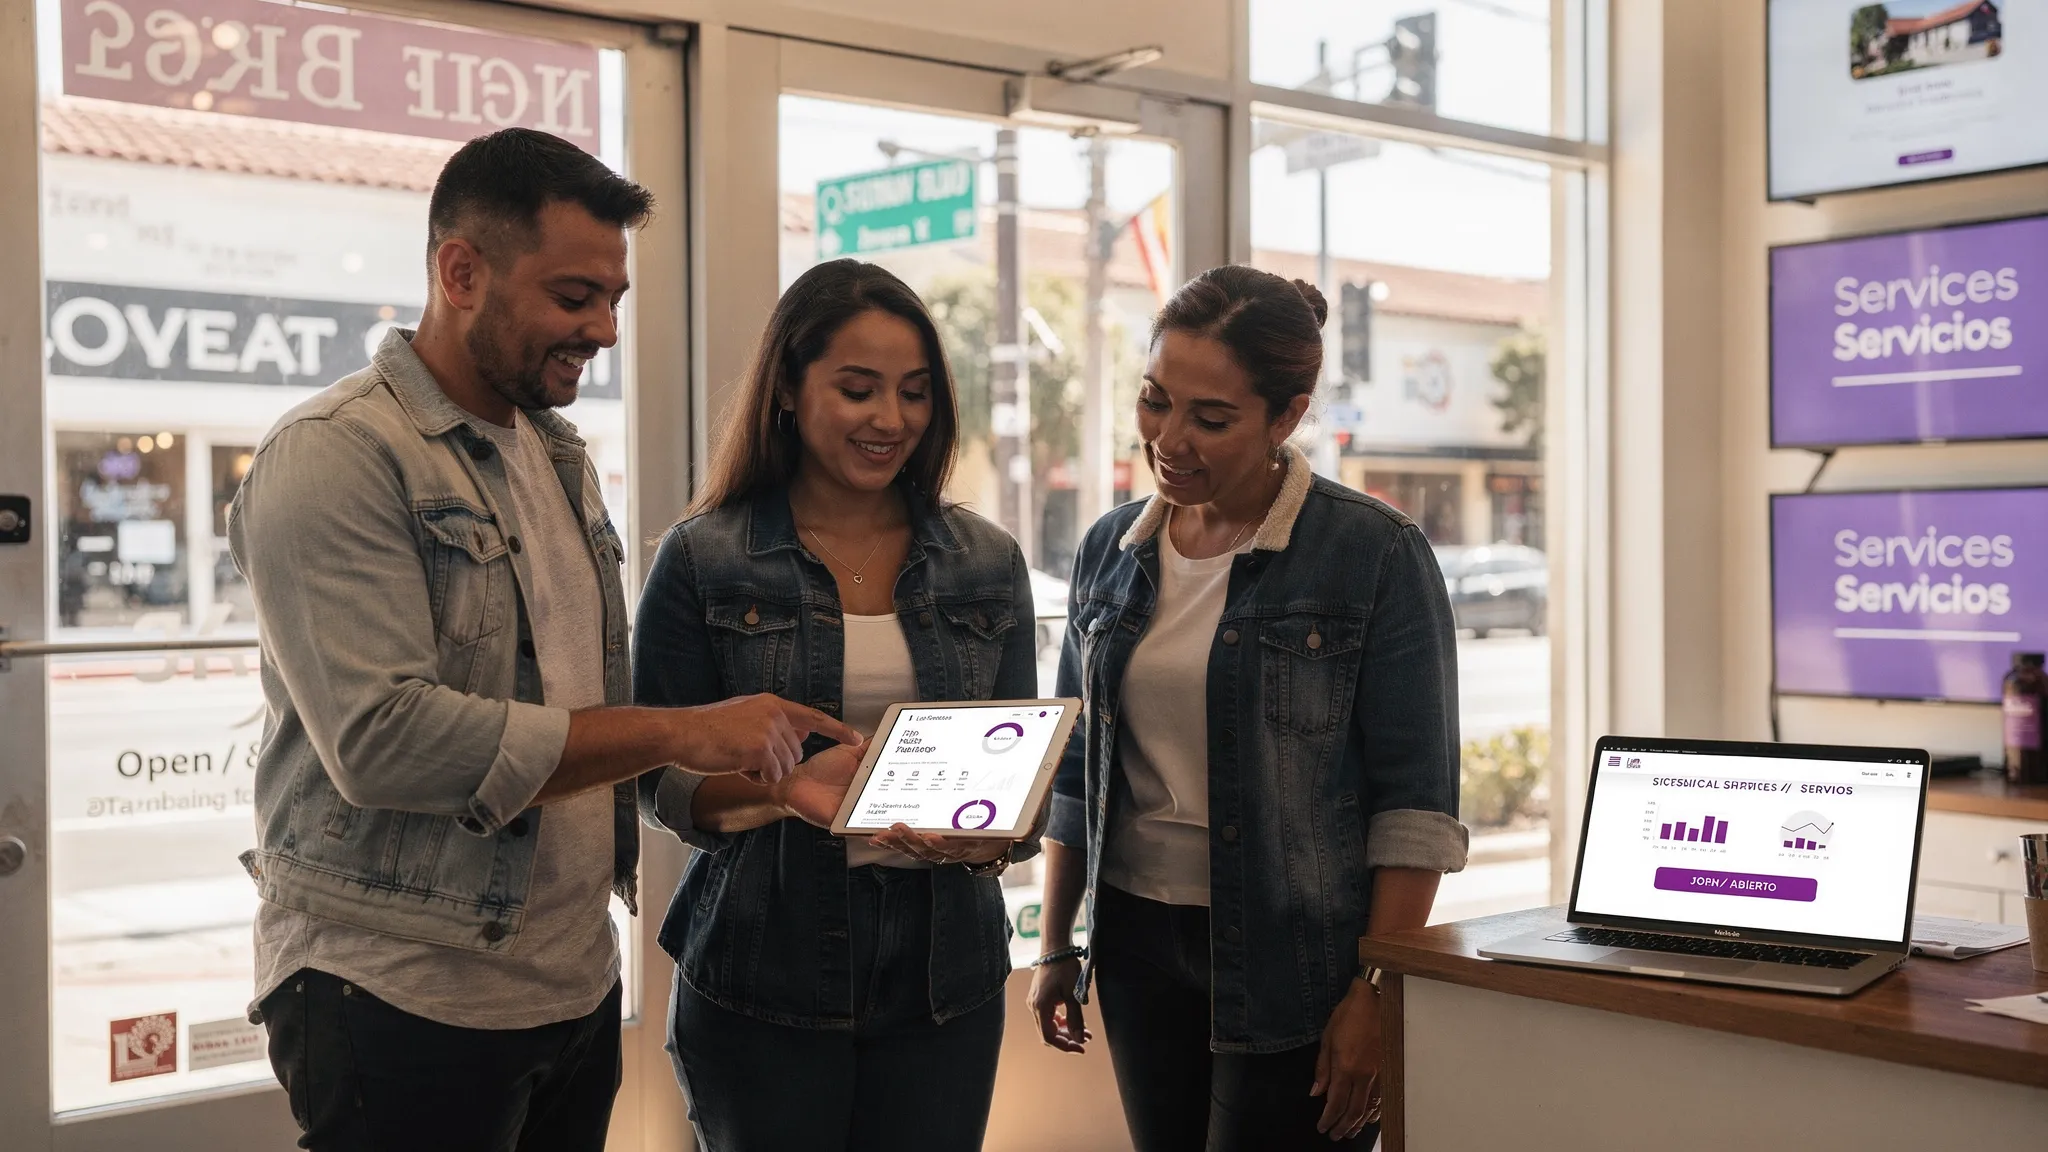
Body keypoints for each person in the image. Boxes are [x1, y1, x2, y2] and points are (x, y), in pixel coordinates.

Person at [228, 128, 858, 1152]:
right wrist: (675, 729)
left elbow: (593, 737)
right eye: (574, 297)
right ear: (460, 271)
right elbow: (383, 740)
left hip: (568, 987)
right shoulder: (335, 457)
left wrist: (761, 782)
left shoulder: (559, 459)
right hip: (396, 998)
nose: (604, 329)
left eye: (613, 298)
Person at [1026, 265, 1467, 1149]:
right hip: (1137, 938)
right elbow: (1077, 769)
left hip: (1295, 951)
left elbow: (1415, 806)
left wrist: (1375, 994)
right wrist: (1057, 941)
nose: (1171, 439)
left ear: (1287, 415)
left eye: (1212, 418)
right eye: (1157, 400)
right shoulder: (1111, 548)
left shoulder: (1372, 554)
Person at [633, 259, 1038, 1152]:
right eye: (858, 390)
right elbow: (657, 781)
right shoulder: (705, 559)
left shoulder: (987, 560)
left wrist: (1000, 832)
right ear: (787, 386)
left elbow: (1022, 770)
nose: (890, 420)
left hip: (946, 975)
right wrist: (778, 791)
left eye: (915, 393)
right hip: (760, 967)